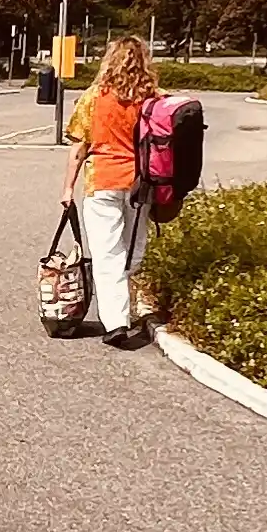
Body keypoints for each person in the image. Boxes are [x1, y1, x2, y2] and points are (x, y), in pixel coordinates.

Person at [60, 34, 159, 349]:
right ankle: (122, 311)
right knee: (132, 252)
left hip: (102, 180)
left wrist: (67, 187)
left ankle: (115, 321)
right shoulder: (154, 98)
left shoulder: (93, 97)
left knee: (107, 254)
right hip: (141, 185)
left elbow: (78, 147)